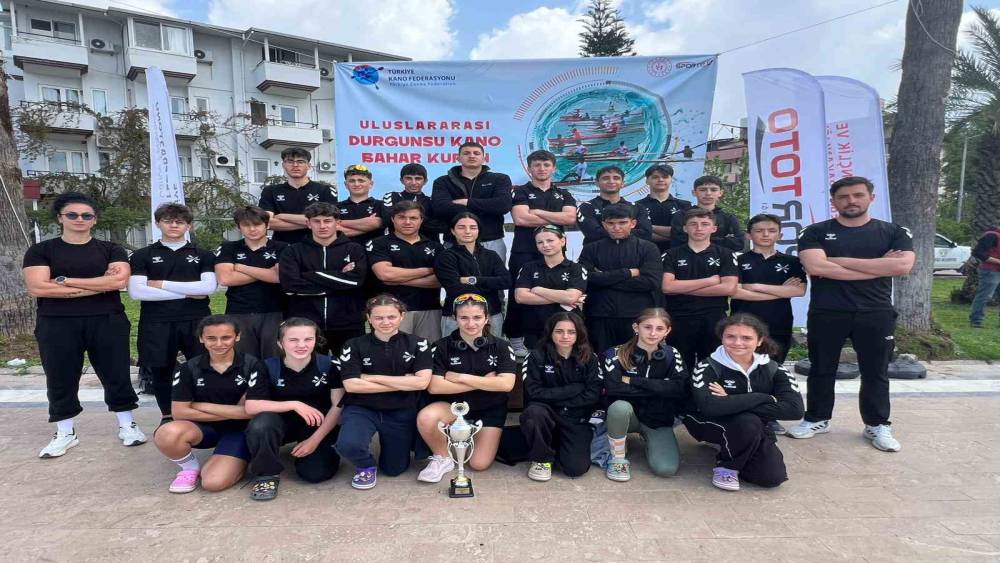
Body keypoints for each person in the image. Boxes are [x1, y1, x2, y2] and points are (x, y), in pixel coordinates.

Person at [788, 176, 915, 452]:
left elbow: (901, 267)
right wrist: (878, 266)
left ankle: (877, 424)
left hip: (876, 311)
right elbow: (816, 267)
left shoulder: (894, 232)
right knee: (821, 368)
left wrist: (836, 261)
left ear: (871, 197)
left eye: (858, 195)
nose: (851, 201)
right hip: (827, 311)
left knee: (875, 371)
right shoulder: (815, 232)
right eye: (843, 197)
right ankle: (817, 418)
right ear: (833, 201)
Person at [22, 191, 145, 458]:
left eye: (86, 215)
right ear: (60, 218)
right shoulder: (41, 250)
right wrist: (97, 284)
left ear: (94, 219)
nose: (80, 219)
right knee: (60, 377)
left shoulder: (111, 249)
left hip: (107, 319)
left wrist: (64, 281)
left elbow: (117, 282)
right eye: (72, 215)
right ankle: (65, 432)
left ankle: (128, 425)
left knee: (116, 373)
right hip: (56, 323)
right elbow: (38, 287)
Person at [685, 314, 804, 491]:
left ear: (759, 341)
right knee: (748, 421)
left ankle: (737, 446)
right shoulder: (708, 367)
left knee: (772, 477)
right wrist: (765, 397)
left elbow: (794, 410)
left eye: (746, 338)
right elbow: (710, 407)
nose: (737, 343)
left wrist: (730, 400)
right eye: (730, 336)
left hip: (753, 426)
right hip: (707, 423)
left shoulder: (774, 368)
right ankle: (727, 466)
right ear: (722, 338)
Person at [154, 315, 262, 493]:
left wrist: (200, 406)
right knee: (166, 433)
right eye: (211, 338)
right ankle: (190, 468)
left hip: (240, 431)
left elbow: (249, 412)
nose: (219, 344)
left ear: (237, 337)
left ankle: (238, 459)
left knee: (213, 483)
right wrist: (234, 411)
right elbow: (179, 413)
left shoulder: (253, 365)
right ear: (201, 338)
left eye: (226, 337)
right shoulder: (188, 368)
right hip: (204, 429)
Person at [334, 295, 433, 489]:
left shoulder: (418, 343)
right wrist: (404, 381)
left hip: (400, 409)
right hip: (362, 408)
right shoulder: (353, 345)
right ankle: (366, 465)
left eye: (391, 317)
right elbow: (352, 385)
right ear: (369, 319)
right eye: (378, 318)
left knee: (394, 469)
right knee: (348, 445)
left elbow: (422, 383)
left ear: (402, 316)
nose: (385, 322)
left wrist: (370, 377)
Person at [415, 294, 517, 483]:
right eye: (464, 317)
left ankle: (467, 438)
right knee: (427, 417)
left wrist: (460, 378)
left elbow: (506, 384)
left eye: (477, 317)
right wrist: (485, 382)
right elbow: (435, 387)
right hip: (452, 408)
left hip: (489, 409)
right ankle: (442, 457)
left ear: (486, 318)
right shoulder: (440, 346)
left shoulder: (502, 346)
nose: (471, 323)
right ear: (455, 318)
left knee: (479, 464)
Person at [129, 203, 217, 420]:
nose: (174, 225)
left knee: (204, 368)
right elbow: (137, 292)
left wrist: (161, 284)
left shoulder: (203, 255)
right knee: (161, 370)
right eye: (168, 221)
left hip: (196, 320)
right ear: (158, 224)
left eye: (180, 221)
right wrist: (188, 292)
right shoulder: (142, 255)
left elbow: (207, 288)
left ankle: (203, 415)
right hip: (156, 321)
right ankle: (168, 416)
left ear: (189, 226)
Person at [244, 318, 344, 500]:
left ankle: (322, 451)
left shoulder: (329, 364)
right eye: (293, 340)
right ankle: (266, 475)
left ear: (316, 340)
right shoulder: (266, 366)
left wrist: (314, 440)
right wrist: (295, 404)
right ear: (280, 343)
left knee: (315, 474)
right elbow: (251, 406)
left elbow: (337, 406)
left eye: (308, 339)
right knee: (261, 423)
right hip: (280, 423)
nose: (301, 345)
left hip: (317, 424)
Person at [602, 308, 688, 482]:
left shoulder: (672, 355)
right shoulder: (615, 354)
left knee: (666, 469)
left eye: (659, 328)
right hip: (628, 417)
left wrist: (634, 381)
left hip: (657, 419)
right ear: (636, 327)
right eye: (647, 327)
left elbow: (679, 388)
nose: (653, 333)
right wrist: (661, 386)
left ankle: (649, 438)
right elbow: (613, 388)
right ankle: (617, 458)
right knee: (619, 407)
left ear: (667, 331)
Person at [506, 150, 578, 356]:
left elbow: (570, 218)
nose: (542, 169)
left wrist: (537, 212)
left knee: (555, 291)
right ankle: (515, 337)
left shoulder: (564, 194)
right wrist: (555, 217)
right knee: (520, 293)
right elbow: (521, 219)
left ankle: (551, 336)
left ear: (553, 168)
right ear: (529, 169)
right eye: (537, 165)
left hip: (555, 252)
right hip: (524, 251)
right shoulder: (521, 191)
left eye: (546, 165)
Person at [520, 312, 601, 481]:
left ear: (579, 333)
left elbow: (592, 395)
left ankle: (554, 444)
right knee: (534, 412)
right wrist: (574, 388)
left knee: (575, 469)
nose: (565, 336)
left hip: (575, 417)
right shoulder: (536, 356)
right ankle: (541, 459)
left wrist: (555, 397)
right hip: (546, 414)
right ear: (550, 332)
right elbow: (533, 392)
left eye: (571, 332)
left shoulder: (590, 358)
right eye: (559, 331)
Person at [279, 202, 368, 356]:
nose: (322, 226)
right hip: (306, 324)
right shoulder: (292, 251)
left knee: (349, 368)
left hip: (348, 323)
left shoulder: (355, 249)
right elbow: (290, 285)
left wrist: (308, 275)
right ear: (308, 223)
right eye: (316, 221)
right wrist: (339, 279)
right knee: (310, 369)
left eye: (327, 221)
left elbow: (355, 281)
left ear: (337, 223)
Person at [577, 204, 662, 355]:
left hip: (636, 316)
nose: (616, 228)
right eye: (611, 223)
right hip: (599, 316)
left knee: (636, 360)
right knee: (602, 359)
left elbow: (651, 282)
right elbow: (585, 279)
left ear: (633, 223)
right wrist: (627, 273)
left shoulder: (648, 248)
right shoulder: (590, 249)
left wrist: (604, 278)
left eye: (622, 222)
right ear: (604, 225)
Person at [662, 208, 739, 370]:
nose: (699, 228)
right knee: (680, 367)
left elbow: (729, 288)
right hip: (679, 317)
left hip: (713, 318)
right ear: (685, 228)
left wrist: (681, 287)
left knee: (712, 367)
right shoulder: (670, 254)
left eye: (705, 224)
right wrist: (710, 281)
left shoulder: (725, 254)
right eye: (693, 224)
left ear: (714, 228)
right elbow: (667, 287)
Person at [731, 214, 807, 364]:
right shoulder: (737, 260)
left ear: (780, 235)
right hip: (743, 323)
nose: (765, 234)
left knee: (774, 368)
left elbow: (799, 291)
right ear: (748, 235)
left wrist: (755, 286)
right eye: (759, 231)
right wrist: (781, 291)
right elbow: (735, 292)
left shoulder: (792, 261)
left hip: (779, 323)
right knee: (741, 368)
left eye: (772, 231)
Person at [214, 206, 287, 361]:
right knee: (244, 361)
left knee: (274, 360)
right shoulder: (228, 248)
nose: (252, 229)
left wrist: (241, 267)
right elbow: (225, 279)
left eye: (257, 224)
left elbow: (278, 276)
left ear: (267, 225)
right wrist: (267, 272)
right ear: (238, 227)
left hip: (274, 311)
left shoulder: (282, 248)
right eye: (246, 225)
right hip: (238, 312)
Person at [368, 200, 445, 342]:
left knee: (429, 352)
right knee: (394, 353)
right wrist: (427, 270)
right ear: (393, 219)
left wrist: (398, 279)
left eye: (413, 218)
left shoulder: (436, 247)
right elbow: (385, 274)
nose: (407, 222)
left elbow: (440, 280)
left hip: (429, 309)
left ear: (421, 220)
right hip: (391, 312)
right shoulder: (379, 243)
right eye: (402, 217)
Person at [430, 141, 513, 259]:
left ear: (484, 158)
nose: (472, 156)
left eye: (476, 153)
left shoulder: (500, 179)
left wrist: (467, 202)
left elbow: (503, 205)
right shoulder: (443, 181)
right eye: (466, 153)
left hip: (491, 240)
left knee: (494, 271)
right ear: (458, 158)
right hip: (454, 242)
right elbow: (440, 208)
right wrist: (487, 206)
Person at [434, 212, 510, 338]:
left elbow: (506, 281)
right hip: (457, 317)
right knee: (454, 350)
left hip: (492, 315)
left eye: (473, 227)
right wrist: (490, 285)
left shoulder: (491, 255)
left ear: (479, 230)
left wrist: (473, 280)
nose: (467, 231)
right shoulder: (446, 256)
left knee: (492, 350)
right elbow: (454, 288)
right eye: (461, 227)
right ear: (452, 231)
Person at [514, 225, 587, 349]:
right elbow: (520, 297)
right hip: (535, 328)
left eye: (550, 240)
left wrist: (538, 290)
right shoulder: (528, 267)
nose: (545, 245)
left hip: (567, 329)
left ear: (562, 241)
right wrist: (562, 297)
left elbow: (571, 297)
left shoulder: (576, 268)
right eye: (540, 242)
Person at [258, 147, 338, 244]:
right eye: (290, 161)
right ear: (283, 165)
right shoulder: (270, 191)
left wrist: (283, 216)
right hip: (282, 247)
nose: (295, 165)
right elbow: (267, 222)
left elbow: (330, 221)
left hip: (315, 247)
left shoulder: (325, 190)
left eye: (300, 162)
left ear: (308, 166)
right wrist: (313, 223)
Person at [577, 166, 653, 246]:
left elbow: (646, 234)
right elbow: (593, 234)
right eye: (605, 178)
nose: (611, 181)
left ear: (623, 183)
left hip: (632, 252)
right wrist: (626, 230)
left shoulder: (638, 208)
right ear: (597, 183)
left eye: (616, 178)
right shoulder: (586, 207)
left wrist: (609, 231)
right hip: (597, 253)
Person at [669, 175, 743, 251]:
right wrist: (722, 239)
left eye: (713, 190)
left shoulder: (729, 218)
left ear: (720, 193)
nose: (708, 193)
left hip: (721, 257)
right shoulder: (681, 216)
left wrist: (697, 238)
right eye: (702, 190)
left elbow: (739, 244)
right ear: (694, 192)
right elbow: (678, 242)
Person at [381, 163, 445, 242]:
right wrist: (425, 221)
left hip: (428, 245)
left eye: (418, 179)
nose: (413, 182)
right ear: (402, 180)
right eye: (408, 178)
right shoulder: (391, 196)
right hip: (394, 244)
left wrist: (401, 220)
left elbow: (441, 226)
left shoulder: (432, 201)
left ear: (425, 181)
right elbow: (388, 220)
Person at [636, 164, 691, 253]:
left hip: (677, 254)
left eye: (665, 177)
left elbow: (686, 233)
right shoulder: (636, 206)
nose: (660, 180)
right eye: (655, 177)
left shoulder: (685, 206)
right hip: (644, 254)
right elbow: (638, 234)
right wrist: (674, 235)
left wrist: (647, 227)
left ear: (671, 180)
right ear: (647, 181)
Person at [336, 164, 384, 246]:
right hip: (344, 251)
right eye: (352, 181)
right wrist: (367, 226)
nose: (357, 184)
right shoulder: (336, 207)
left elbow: (376, 223)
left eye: (361, 180)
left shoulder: (381, 205)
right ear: (346, 185)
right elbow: (334, 230)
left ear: (371, 184)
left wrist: (339, 222)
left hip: (374, 252)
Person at [969, 227, 1000, 328]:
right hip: (990, 271)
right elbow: (978, 253)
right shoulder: (991, 236)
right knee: (984, 296)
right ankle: (976, 321)